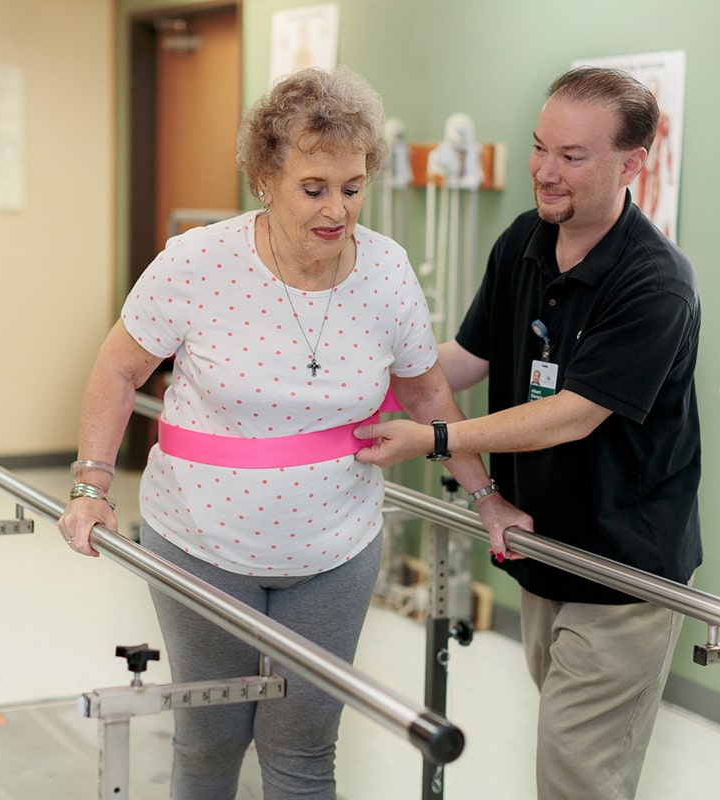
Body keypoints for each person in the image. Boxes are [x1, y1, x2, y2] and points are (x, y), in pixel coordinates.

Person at [58, 66, 531, 800]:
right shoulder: (197, 262)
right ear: (264, 178)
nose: (337, 209)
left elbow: (428, 392)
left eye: (353, 186)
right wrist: (91, 485)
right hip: (200, 541)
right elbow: (118, 369)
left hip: (335, 549)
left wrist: (487, 498)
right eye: (314, 188)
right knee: (211, 737)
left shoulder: (387, 271)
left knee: (304, 748)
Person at [355, 66, 702, 800]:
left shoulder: (654, 283)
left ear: (631, 164)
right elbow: (465, 358)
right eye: (541, 147)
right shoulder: (525, 240)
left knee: (577, 771)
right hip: (543, 546)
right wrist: (363, 385)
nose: (545, 171)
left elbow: (571, 413)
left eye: (572, 156)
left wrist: (436, 440)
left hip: (622, 568)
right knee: (572, 758)